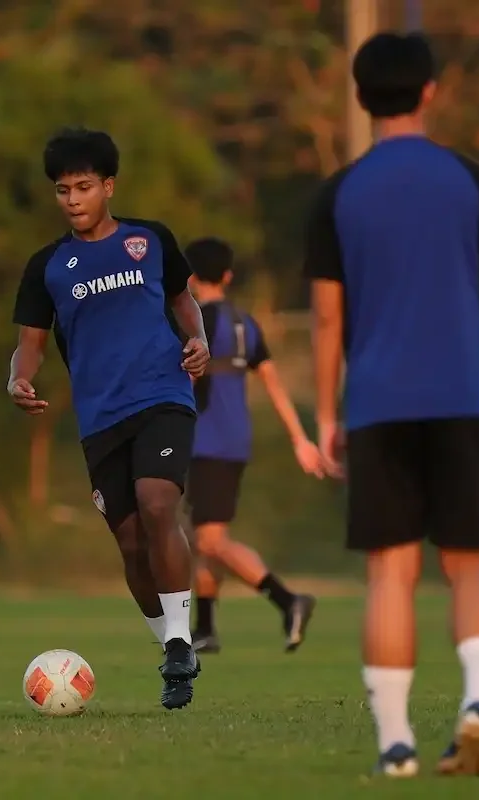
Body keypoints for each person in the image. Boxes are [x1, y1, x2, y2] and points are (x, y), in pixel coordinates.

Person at [304, 32, 479, 777]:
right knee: (471, 566)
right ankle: (478, 705)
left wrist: (327, 414)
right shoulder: (470, 181)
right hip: (462, 395)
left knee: (391, 575)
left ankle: (396, 744)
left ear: (362, 98)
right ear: (430, 91)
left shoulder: (339, 193)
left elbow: (327, 317)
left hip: (378, 403)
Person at [8, 127, 210, 711]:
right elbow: (29, 344)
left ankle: (180, 641)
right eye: (63, 190)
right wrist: (18, 377)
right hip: (100, 418)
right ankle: (173, 650)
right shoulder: (48, 266)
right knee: (130, 544)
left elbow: (183, 300)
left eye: (84, 186)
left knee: (157, 503)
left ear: (108, 187)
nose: (73, 199)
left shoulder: (150, 240)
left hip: (163, 394)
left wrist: (199, 339)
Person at [182, 237, 322, 655]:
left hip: (206, 441)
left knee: (209, 541)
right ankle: (205, 628)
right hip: (234, 440)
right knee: (204, 535)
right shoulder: (246, 324)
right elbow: (273, 383)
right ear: (227, 276)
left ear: (190, 276)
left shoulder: (193, 323)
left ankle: (288, 600)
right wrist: (300, 439)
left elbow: (184, 379)